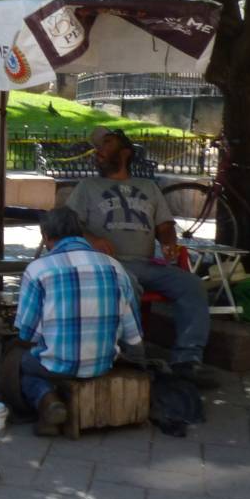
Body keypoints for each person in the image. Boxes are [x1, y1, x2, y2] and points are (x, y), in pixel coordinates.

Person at [64, 126, 218, 388]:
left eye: (106, 144)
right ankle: (131, 358)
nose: (98, 151)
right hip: (108, 266)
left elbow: (165, 226)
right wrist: (93, 239)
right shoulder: (87, 187)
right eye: (98, 146)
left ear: (124, 153)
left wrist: (169, 243)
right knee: (128, 285)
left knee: (191, 285)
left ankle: (187, 361)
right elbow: (68, 225)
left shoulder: (148, 187)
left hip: (147, 264)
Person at [14, 207, 144, 435]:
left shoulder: (37, 270)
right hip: (102, 364)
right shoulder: (115, 267)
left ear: (45, 236)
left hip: (57, 365)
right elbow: (133, 335)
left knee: (16, 362)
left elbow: (28, 335)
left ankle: (46, 400)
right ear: (79, 232)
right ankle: (50, 405)